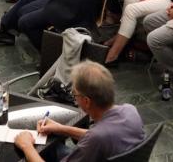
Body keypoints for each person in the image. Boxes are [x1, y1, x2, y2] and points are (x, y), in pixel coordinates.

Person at [13, 61, 144, 162]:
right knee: (51, 147)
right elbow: (100, 136)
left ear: (86, 101)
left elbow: (95, 138)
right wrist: (61, 128)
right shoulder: (130, 111)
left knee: (34, 151)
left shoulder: (95, 139)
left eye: (74, 94)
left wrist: (26, 146)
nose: (74, 99)